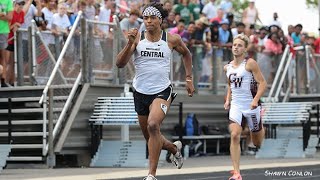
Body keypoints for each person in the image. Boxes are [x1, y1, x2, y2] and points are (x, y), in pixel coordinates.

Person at [116, 2, 195, 180]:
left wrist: (189, 78)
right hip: (140, 92)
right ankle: (174, 148)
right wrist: (129, 44)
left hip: (162, 90)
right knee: (152, 136)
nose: (148, 21)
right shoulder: (137, 38)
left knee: (153, 125)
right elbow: (119, 64)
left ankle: (151, 175)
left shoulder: (172, 39)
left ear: (160, 20)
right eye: (145, 18)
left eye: (152, 18)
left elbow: (187, 54)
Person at [223, 34, 267, 180]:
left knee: (257, 143)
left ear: (245, 49)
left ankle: (261, 126)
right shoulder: (227, 67)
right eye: (234, 45)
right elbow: (230, 85)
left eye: (239, 45)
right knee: (235, 134)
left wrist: (255, 100)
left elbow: (262, 83)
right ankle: (236, 172)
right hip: (236, 105)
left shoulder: (250, 63)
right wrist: (228, 100)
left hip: (251, 106)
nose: (236, 47)